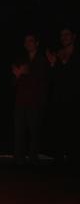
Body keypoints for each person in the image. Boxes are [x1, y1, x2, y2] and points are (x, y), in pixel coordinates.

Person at [11, 33, 49, 165]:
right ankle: (18, 158)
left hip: (35, 101)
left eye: (31, 41)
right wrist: (17, 75)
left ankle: (33, 159)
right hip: (21, 100)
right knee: (19, 131)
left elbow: (43, 79)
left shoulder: (42, 59)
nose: (28, 43)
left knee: (34, 132)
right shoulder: (21, 59)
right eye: (26, 41)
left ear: (36, 43)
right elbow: (13, 81)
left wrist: (24, 72)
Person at [46, 26, 80, 165]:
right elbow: (54, 79)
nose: (64, 37)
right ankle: (59, 159)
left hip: (75, 99)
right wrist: (54, 63)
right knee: (59, 130)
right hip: (60, 99)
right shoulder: (58, 55)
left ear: (74, 36)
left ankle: (74, 159)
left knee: (74, 130)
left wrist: (64, 62)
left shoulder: (76, 55)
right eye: (62, 35)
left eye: (67, 34)